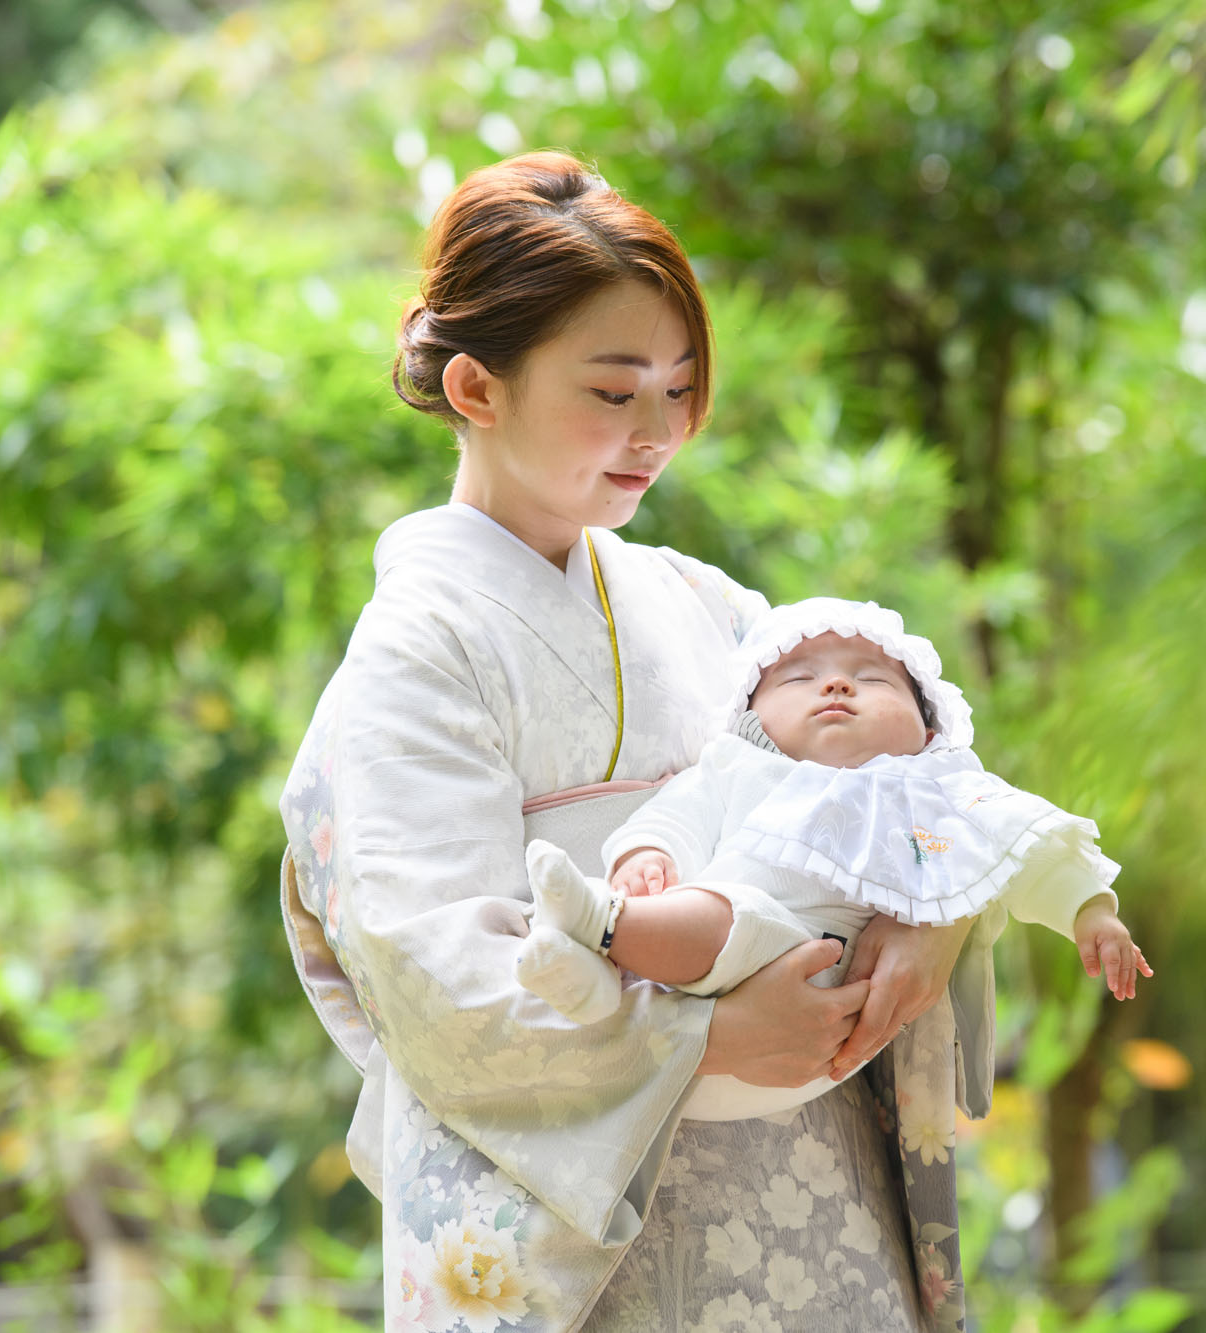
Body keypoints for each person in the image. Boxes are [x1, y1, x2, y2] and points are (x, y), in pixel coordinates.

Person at [277, 151, 981, 1331]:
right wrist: (707, 1032)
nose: (657, 429)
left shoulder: (709, 609)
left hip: (814, 1191)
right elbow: (436, 977)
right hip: (582, 1243)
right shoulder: (414, 650)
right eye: (612, 392)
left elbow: (921, 773)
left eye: (679, 386)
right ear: (473, 388)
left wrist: (932, 916)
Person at [516, 598, 1150, 1124]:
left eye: (874, 679)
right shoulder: (740, 765)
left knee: (734, 919)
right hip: (709, 1006)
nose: (838, 683)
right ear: (750, 719)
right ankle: (593, 956)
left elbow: (1017, 844)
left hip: (823, 980)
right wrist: (647, 855)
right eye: (797, 677)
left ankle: (600, 925)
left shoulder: (938, 785)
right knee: (713, 912)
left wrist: (1090, 911)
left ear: (928, 729)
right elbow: (676, 815)